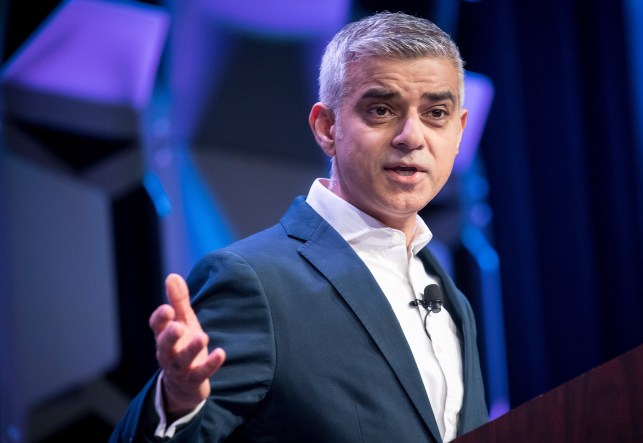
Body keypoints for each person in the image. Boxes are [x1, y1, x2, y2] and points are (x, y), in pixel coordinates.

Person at [110, 10, 488, 442]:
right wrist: (175, 401)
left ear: (459, 132)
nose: (412, 136)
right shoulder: (253, 283)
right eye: (381, 110)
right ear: (327, 128)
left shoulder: (453, 301)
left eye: (436, 113)